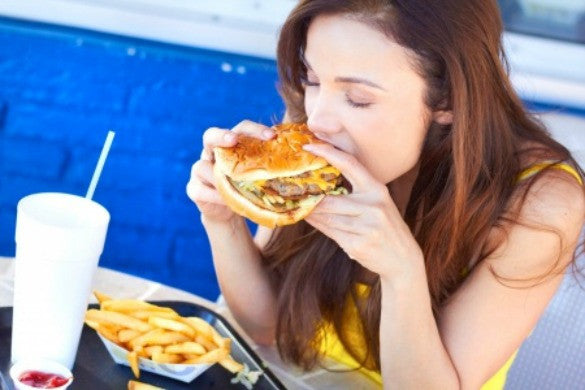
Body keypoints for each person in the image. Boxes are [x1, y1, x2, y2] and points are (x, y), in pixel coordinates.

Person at [186, 0, 585, 388]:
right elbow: (265, 328)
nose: (318, 120)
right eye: (312, 80)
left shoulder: (541, 201)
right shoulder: (318, 124)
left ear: (448, 98)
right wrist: (222, 219)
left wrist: (400, 270)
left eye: (357, 98)